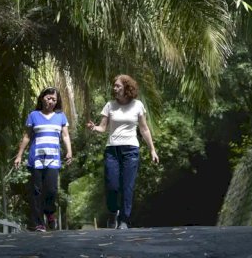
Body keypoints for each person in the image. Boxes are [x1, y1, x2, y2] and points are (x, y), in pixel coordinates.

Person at [86, 74, 159, 230]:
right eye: (114, 86)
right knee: (112, 185)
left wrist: (152, 149)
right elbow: (103, 127)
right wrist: (94, 128)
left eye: (118, 85)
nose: (115, 88)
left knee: (128, 186)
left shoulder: (138, 105)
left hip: (131, 150)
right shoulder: (110, 105)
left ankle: (124, 220)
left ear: (127, 87)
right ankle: (113, 212)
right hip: (112, 149)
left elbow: (144, 129)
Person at [14, 87, 73, 232]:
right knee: (36, 192)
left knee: (51, 189)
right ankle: (39, 223)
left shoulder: (61, 117)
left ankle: (49, 212)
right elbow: (27, 136)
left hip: (53, 159)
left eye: (54, 99)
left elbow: (65, 136)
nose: (51, 101)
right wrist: (19, 155)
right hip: (36, 159)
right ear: (42, 98)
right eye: (49, 98)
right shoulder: (33, 115)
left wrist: (69, 151)